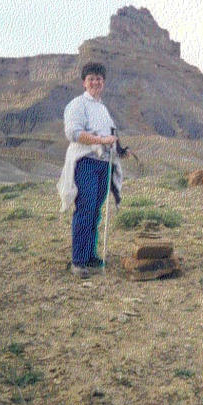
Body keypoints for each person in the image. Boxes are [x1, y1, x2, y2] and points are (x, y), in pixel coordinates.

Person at [58, 62, 129, 278]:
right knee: (85, 210)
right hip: (86, 162)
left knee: (95, 212)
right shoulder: (77, 105)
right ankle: (78, 261)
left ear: (103, 82)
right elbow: (73, 133)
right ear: (84, 82)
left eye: (99, 78)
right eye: (91, 78)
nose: (96, 82)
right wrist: (100, 140)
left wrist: (117, 148)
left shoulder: (102, 108)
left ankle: (90, 255)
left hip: (104, 164)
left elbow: (110, 133)